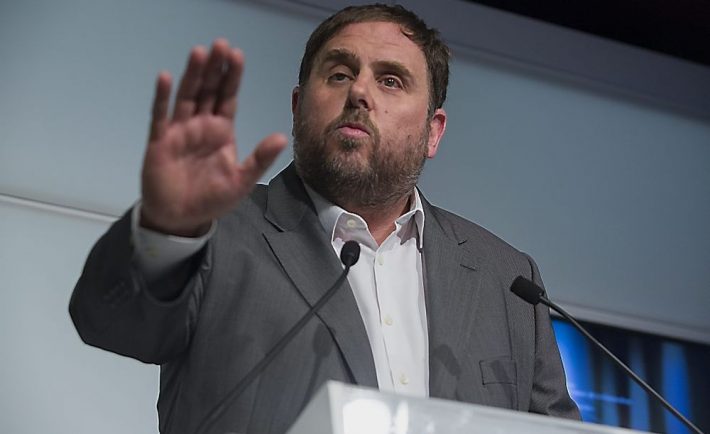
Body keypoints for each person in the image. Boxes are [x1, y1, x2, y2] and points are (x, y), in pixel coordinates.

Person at [70, 4, 580, 434]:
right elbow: (113, 324)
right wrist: (167, 227)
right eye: (339, 74)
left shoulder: (506, 280)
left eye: (391, 80)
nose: (359, 92)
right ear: (297, 107)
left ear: (433, 131)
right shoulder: (217, 231)